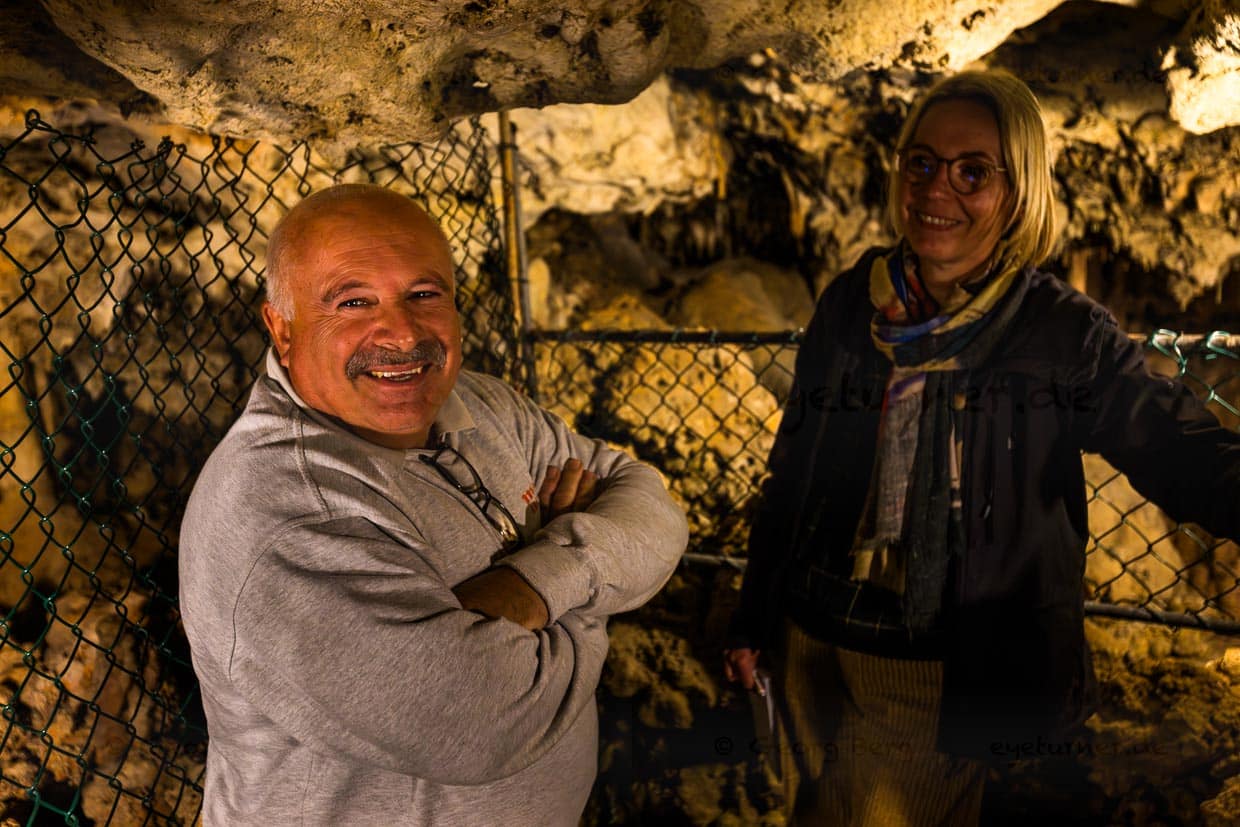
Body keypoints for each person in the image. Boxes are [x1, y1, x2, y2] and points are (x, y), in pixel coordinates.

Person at [723, 69, 1240, 825]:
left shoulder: (1061, 336)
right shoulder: (849, 302)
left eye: (974, 173)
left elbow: (1174, 447)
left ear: (1020, 192)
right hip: (810, 638)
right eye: (922, 163)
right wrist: (752, 618)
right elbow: (794, 471)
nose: (938, 190)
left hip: (934, 670)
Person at [178, 183, 688, 826]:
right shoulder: (288, 511)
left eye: (424, 294)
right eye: (353, 301)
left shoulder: (487, 407)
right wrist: (592, 595)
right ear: (283, 328)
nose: (399, 331)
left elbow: (654, 508)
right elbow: (479, 720)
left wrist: (537, 582)